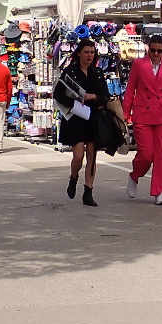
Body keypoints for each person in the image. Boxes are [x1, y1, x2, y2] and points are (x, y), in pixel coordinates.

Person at [122, 34, 162, 206]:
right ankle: (135, 175)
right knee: (146, 153)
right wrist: (125, 116)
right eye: (153, 50)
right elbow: (130, 92)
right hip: (143, 115)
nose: (156, 54)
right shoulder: (138, 64)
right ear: (148, 48)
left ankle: (160, 192)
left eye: (160, 51)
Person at [53, 39, 109, 207]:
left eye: (92, 52)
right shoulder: (70, 72)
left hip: (93, 117)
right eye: (86, 52)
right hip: (76, 117)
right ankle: (73, 177)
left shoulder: (98, 73)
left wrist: (93, 97)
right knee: (78, 156)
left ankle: (88, 191)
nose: (89, 55)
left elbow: (105, 95)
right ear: (79, 53)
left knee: (92, 155)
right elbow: (58, 94)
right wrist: (76, 100)